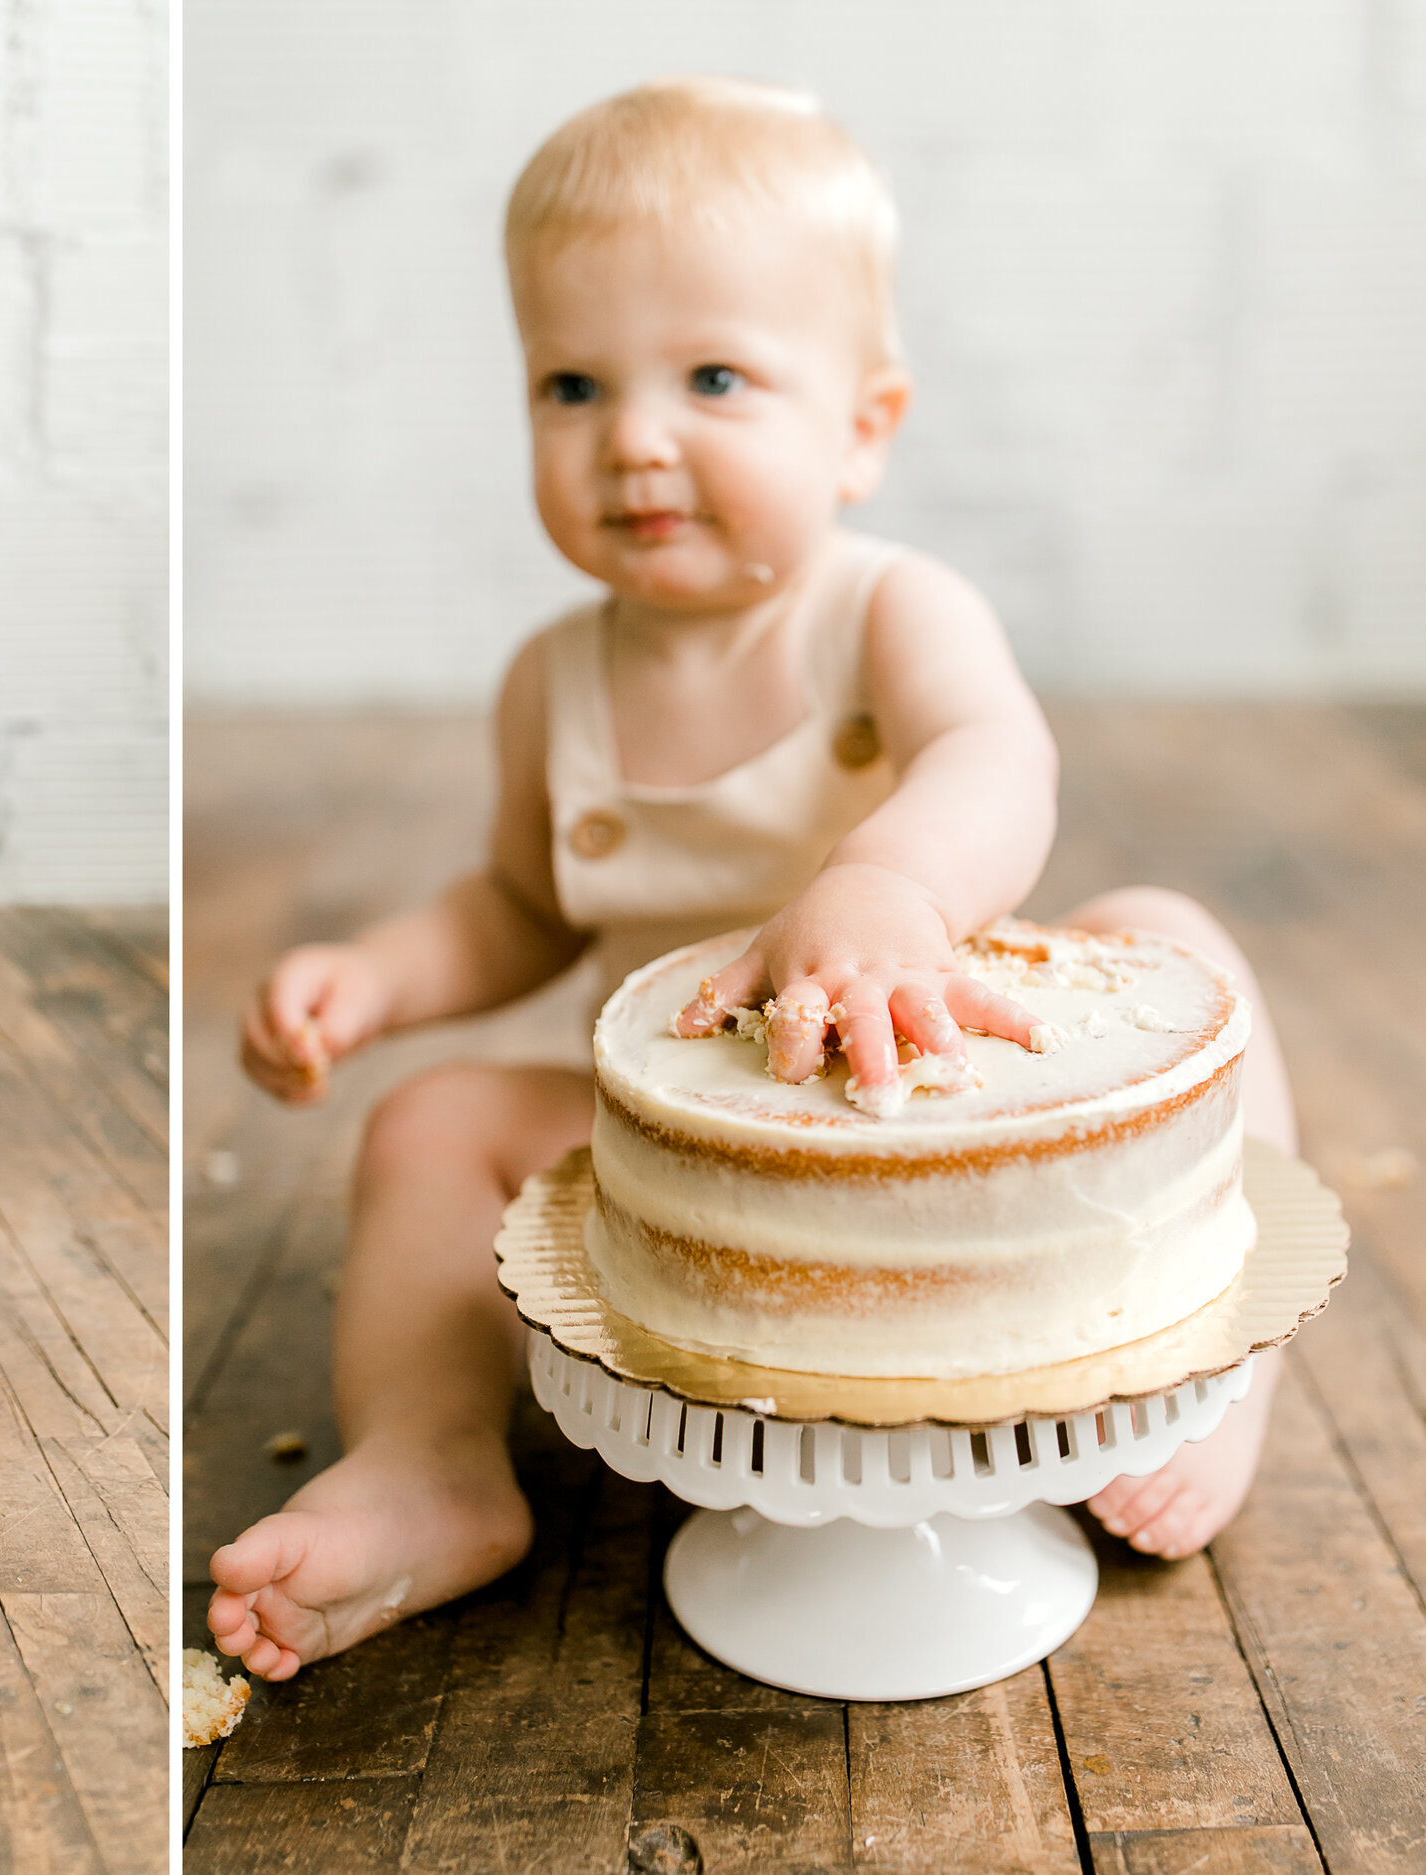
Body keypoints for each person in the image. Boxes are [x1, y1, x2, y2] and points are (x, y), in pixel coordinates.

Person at [208, 78, 1296, 1682]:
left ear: (863, 426)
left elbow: (1000, 760)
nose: (634, 436)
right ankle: (434, 1454)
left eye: (714, 376)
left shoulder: (886, 614)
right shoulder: (553, 681)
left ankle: (1216, 1365)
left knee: (1174, 939)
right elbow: (520, 905)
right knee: (430, 1121)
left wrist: (889, 888)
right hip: (692, 1150)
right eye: (571, 384)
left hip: (954, 1099)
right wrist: (378, 973)